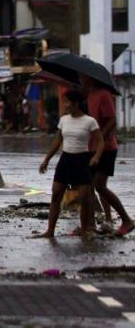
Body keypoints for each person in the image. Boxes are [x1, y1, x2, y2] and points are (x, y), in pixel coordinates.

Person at [34, 90, 104, 238]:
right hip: (66, 159)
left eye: (67, 102)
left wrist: (96, 156)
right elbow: (57, 141)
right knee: (56, 195)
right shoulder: (64, 120)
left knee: (85, 198)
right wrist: (46, 160)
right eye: (64, 102)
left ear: (76, 103)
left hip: (82, 160)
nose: (65, 105)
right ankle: (50, 230)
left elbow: (100, 141)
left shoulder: (89, 121)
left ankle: (85, 230)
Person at [80, 74, 134, 236]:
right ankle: (88, 226)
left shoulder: (103, 94)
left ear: (90, 77)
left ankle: (126, 220)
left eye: (82, 76)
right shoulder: (89, 94)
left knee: (99, 185)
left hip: (107, 148)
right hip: (90, 148)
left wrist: (101, 137)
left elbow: (112, 120)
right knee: (87, 187)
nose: (80, 79)